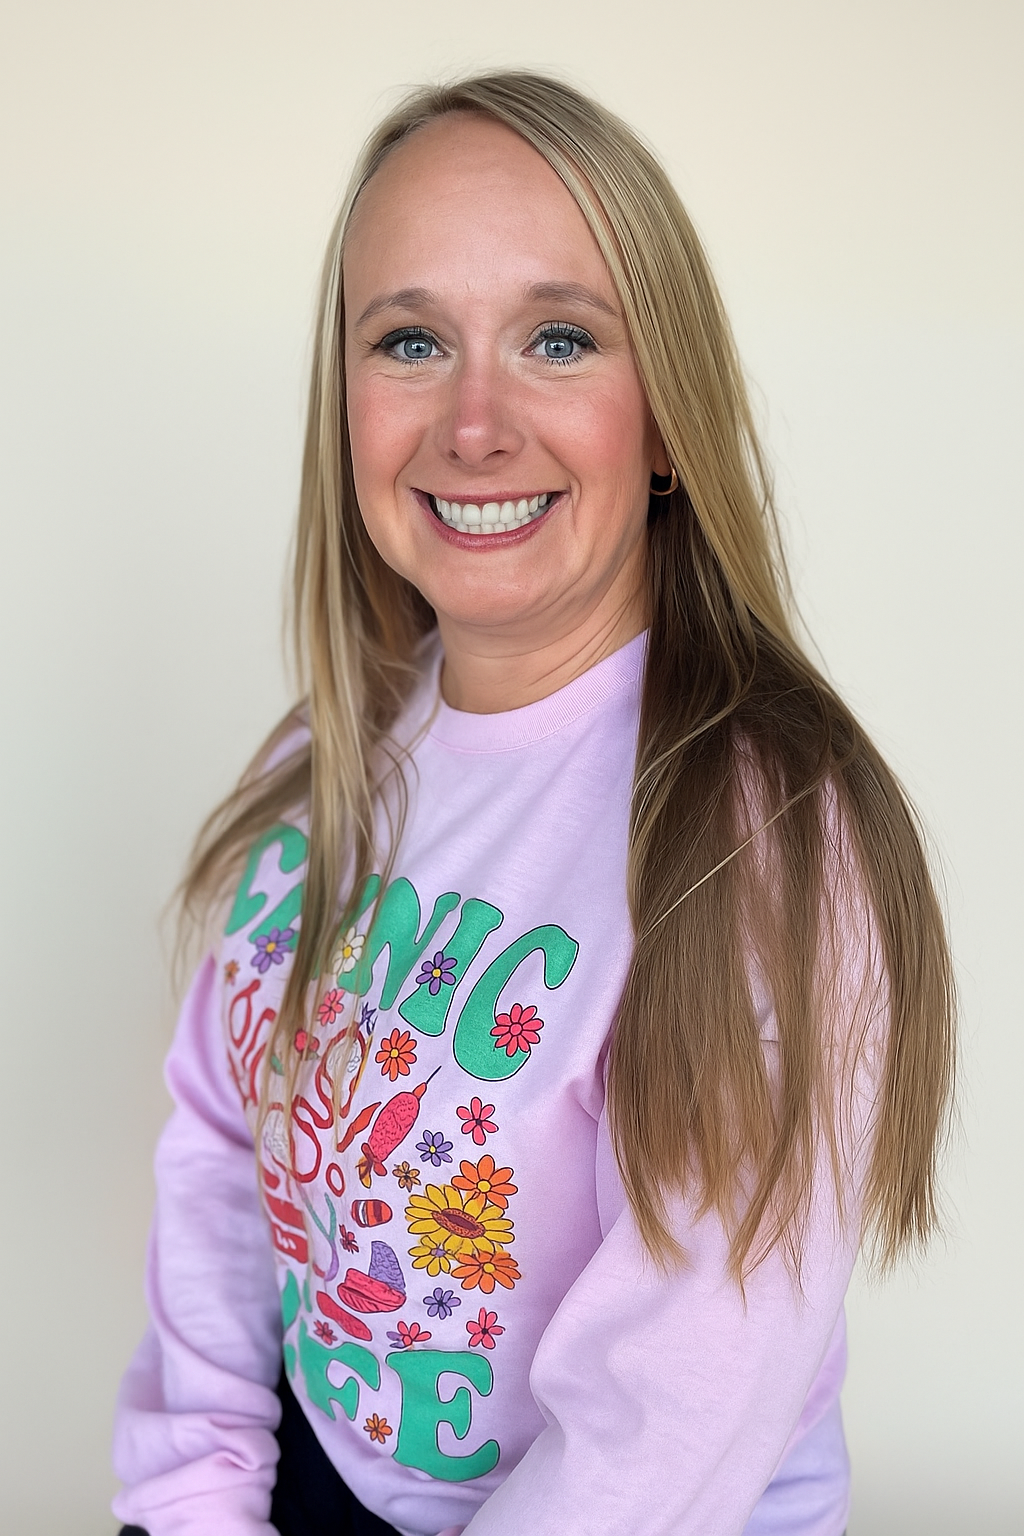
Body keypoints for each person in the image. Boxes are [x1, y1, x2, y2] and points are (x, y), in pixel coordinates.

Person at [111, 71, 954, 1536]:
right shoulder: (322, 757)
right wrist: (191, 1503)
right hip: (314, 1481)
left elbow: (666, 1422)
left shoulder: (758, 843)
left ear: (670, 416)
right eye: (412, 340)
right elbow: (218, 1163)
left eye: (559, 338)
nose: (476, 424)